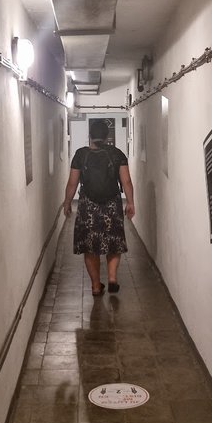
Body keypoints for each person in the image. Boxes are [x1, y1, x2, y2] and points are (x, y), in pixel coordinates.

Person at [62, 120, 135, 296]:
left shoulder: (81, 155)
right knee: (114, 242)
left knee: (90, 246)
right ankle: (112, 278)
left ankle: (96, 286)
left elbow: (72, 183)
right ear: (107, 135)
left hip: (88, 206)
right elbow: (126, 181)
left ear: (90, 135)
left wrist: (67, 202)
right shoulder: (117, 154)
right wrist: (130, 202)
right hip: (112, 205)